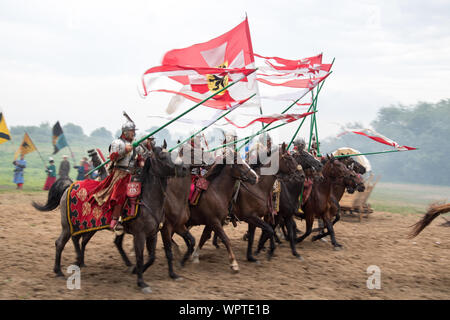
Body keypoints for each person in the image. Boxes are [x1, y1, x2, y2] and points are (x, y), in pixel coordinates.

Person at [89, 120, 149, 232]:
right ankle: (115, 220)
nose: (133, 133)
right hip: (120, 174)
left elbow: (140, 159)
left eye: (134, 131)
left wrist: (142, 164)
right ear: (125, 132)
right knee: (120, 195)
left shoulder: (136, 144)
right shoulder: (117, 143)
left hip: (133, 174)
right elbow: (113, 157)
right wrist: (125, 151)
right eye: (131, 131)